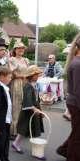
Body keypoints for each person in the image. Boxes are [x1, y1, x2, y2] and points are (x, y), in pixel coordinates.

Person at [12, 65, 45, 160]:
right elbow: (27, 101)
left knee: (28, 129)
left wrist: (40, 109)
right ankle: (36, 151)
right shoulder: (28, 86)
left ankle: (16, 143)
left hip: (33, 110)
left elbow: (36, 98)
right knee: (27, 129)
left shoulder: (34, 85)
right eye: (36, 74)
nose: (38, 76)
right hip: (28, 111)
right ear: (31, 75)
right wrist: (35, 109)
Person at [56, 33, 80, 161]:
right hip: (76, 103)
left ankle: (64, 150)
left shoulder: (76, 61)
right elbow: (78, 90)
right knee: (77, 136)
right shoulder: (77, 64)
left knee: (76, 132)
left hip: (74, 102)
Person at [9, 41, 29, 139]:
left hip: (25, 84)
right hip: (16, 84)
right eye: (19, 48)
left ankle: (22, 130)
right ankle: (14, 130)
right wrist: (24, 76)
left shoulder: (26, 60)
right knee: (16, 106)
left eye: (22, 48)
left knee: (24, 106)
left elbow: (29, 71)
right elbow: (13, 74)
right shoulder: (12, 60)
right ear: (15, 50)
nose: (21, 50)